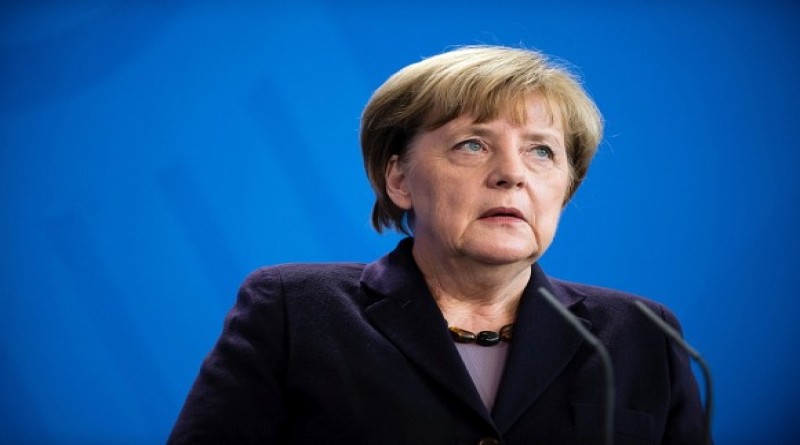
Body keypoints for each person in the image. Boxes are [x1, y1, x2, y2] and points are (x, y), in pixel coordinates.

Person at [167, 45, 706, 444]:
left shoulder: (643, 333)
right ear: (398, 179)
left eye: (542, 152)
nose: (512, 175)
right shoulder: (292, 310)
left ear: (565, 187)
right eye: (472, 144)